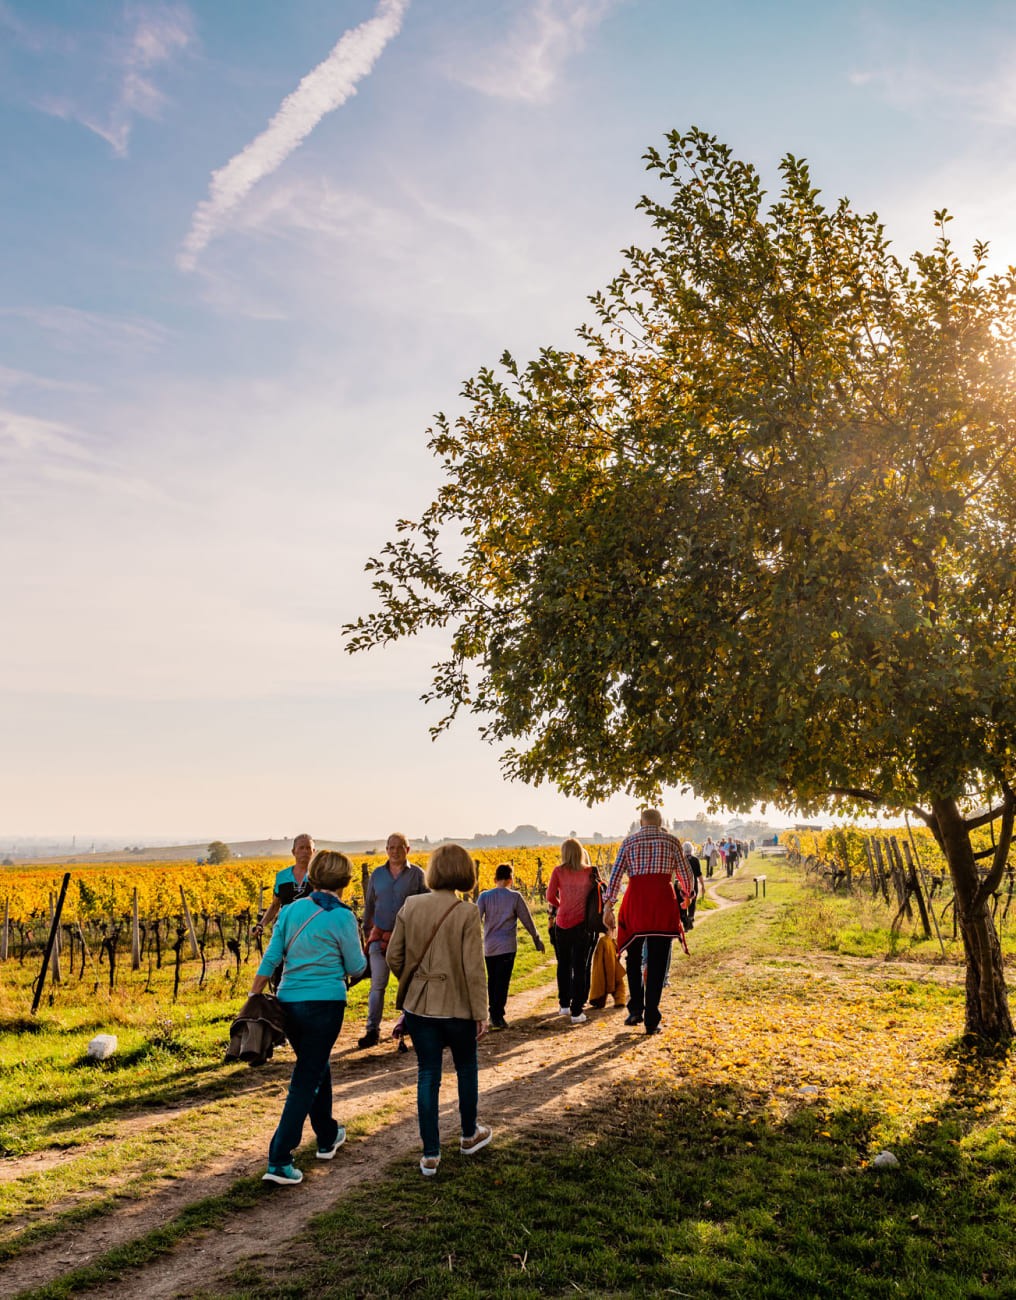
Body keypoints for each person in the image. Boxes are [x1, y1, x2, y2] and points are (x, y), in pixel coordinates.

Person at [249, 850, 367, 1186]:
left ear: (313, 876)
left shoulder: (290, 910)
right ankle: (279, 1158)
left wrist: (254, 994)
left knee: (316, 1066)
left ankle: (328, 1135)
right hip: (326, 1004)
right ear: (345, 881)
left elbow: (272, 957)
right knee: (306, 1077)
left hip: (289, 1003)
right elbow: (356, 967)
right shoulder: (344, 918)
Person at [386, 843, 491, 1177]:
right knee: (466, 1069)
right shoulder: (467, 912)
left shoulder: (411, 905)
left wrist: (412, 980)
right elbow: (474, 968)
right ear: (464, 873)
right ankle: (468, 1133)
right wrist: (481, 1011)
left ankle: (430, 1154)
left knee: (427, 1074)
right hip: (458, 1007)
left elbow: (393, 956)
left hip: (419, 1007)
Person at [603, 810, 693, 1036]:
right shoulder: (672, 841)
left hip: (636, 903)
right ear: (660, 823)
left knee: (633, 957)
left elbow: (615, 876)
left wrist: (608, 905)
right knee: (658, 961)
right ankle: (652, 1019)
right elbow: (685, 873)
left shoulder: (629, 842)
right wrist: (687, 894)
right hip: (662, 903)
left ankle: (635, 1009)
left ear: (641, 823)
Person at [358, 832, 428, 1049]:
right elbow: (369, 905)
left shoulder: (417, 874)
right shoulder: (377, 875)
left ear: (407, 849)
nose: (395, 851)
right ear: (386, 849)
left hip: (408, 940)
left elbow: (427, 905)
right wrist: (366, 931)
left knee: (409, 985)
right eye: (391, 847)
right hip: (380, 938)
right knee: (378, 985)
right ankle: (372, 1030)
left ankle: (412, 1026)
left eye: (400, 847)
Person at [476, 863, 545, 1030]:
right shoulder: (515, 897)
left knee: (492, 979)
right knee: (503, 980)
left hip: (490, 947)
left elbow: (475, 920)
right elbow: (526, 919)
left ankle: (493, 1013)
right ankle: (498, 1016)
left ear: (495, 879)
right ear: (510, 879)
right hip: (507, 946)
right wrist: (536, 938)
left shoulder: (484, 896)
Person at [546, 838, 595, 1025]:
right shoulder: (590, 872)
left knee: (563, 964)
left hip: (562, 923)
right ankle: (577, 1011)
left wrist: (562, 906)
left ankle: (564, 1005)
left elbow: (550, 896)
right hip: (582, 924)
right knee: (580, 967)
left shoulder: (558, 871)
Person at [254, 833, 315, 940]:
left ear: (313, 852)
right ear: (293, 852)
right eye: (301, 848)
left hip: (313, 932)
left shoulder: (320, 876)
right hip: (286, 931)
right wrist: (261, 924)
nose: (305, 851)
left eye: (308, 848)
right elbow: (275, 905)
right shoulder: (281, 877)